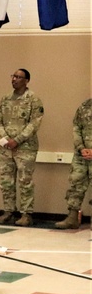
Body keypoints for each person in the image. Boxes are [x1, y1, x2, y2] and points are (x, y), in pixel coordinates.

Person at [0, 69, 44, 227]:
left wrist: (17, 139)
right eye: (13, 76)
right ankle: (8, 212)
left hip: (25, 148)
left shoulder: (33, 100)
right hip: (6, 147)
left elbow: (34, 124)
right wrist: (6, 138)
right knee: (6, 181)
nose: (14, 79)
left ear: (26, 80)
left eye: (18, 77)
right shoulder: (5, 98)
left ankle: (26, 215)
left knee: (25, 181)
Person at [55, 98, 92, 230]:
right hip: (81, 154)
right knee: (76, 184)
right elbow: (76, 128)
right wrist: (82, 148)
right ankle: (72, 217)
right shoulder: (85, 106)